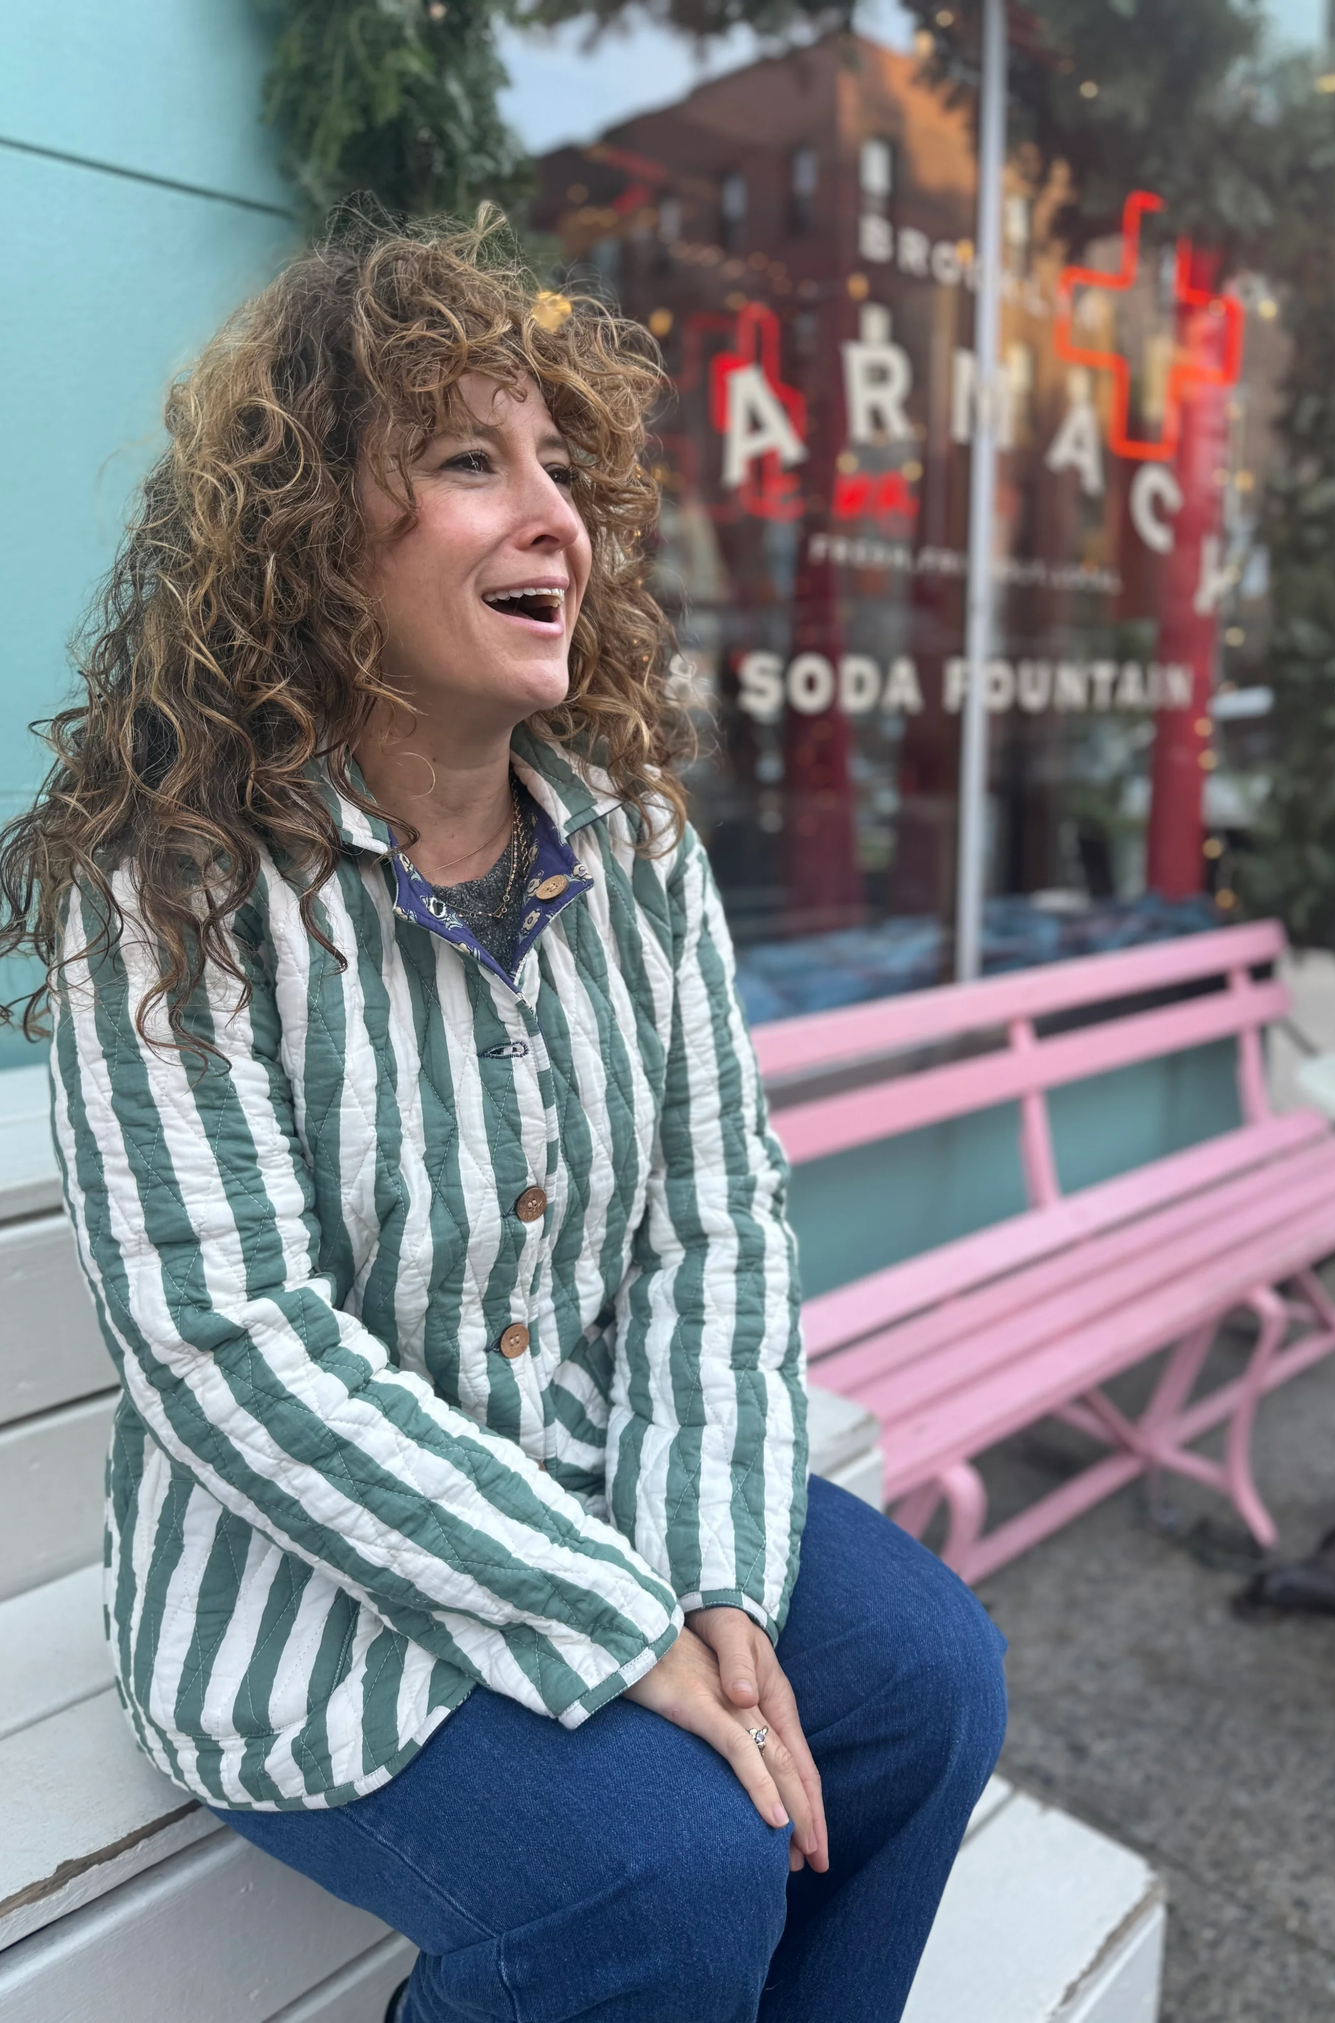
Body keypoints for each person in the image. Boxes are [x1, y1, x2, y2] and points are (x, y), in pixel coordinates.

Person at [0, 212, 1007, 2023]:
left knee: (930, 1680)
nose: (559, 515)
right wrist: (616, 1626)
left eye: (565, 468)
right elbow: (235, 1346)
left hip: (601, 1476)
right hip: (302, 1590)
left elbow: (717, 1222)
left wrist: (710, 1578)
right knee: (673, 1867)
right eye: (474, 461)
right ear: (315, 532)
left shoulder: (632, 847)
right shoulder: (174, 879)